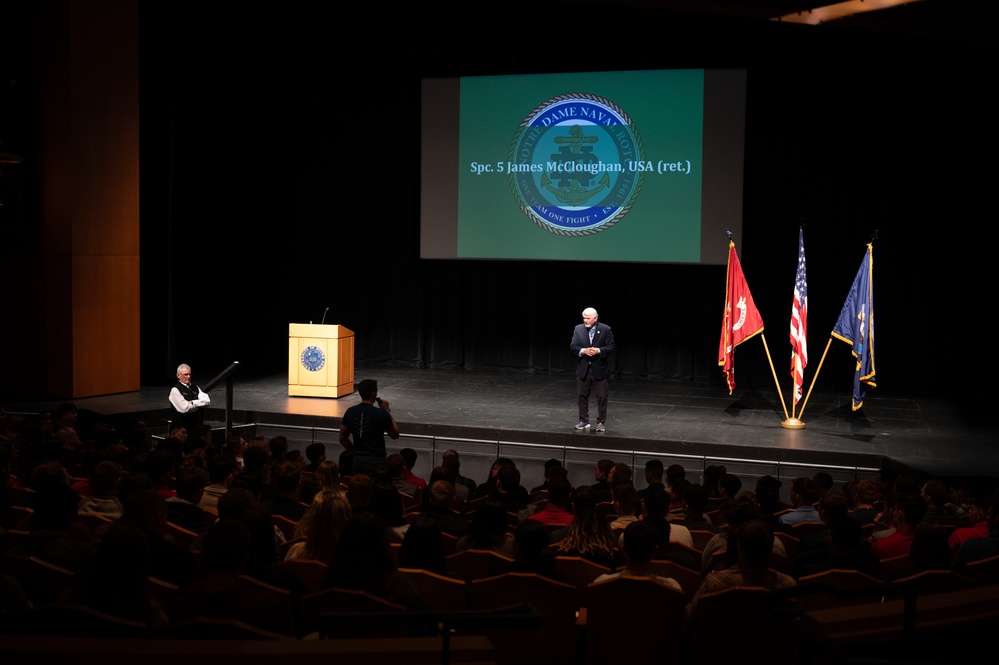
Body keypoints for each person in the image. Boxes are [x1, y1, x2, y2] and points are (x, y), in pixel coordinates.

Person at [338, 379, 400, 476]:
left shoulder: (350, 411)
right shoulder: (381, 414)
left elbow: (342, 438)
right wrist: (387, 410)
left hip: (358, 461)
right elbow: (395, 434)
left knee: (359, 486)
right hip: (377, 462)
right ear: (373, 394)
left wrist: (354, 452)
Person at [571, 307, 616, 432]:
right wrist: (583, 351)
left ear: (595, 318)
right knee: (581, 396)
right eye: (584, 318)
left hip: (599, 369)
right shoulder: (578, 329)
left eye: (588, 318)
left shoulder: (606, 329)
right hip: (583, 369)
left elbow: (611, 347)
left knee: (602, 396)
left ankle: (601, 422)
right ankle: (583, 420)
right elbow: (573, 346)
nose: (585, 320)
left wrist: (598, 350)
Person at [168, 363, 210, 431]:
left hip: (195, 426)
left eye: (189, 374)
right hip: (181, 428)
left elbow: (207, 402)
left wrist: (192, 403)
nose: (188, 377)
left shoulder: (195, 387)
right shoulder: (175, 390)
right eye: (185, 374)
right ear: (178, 375)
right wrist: (199, 404)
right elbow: (184, 409)